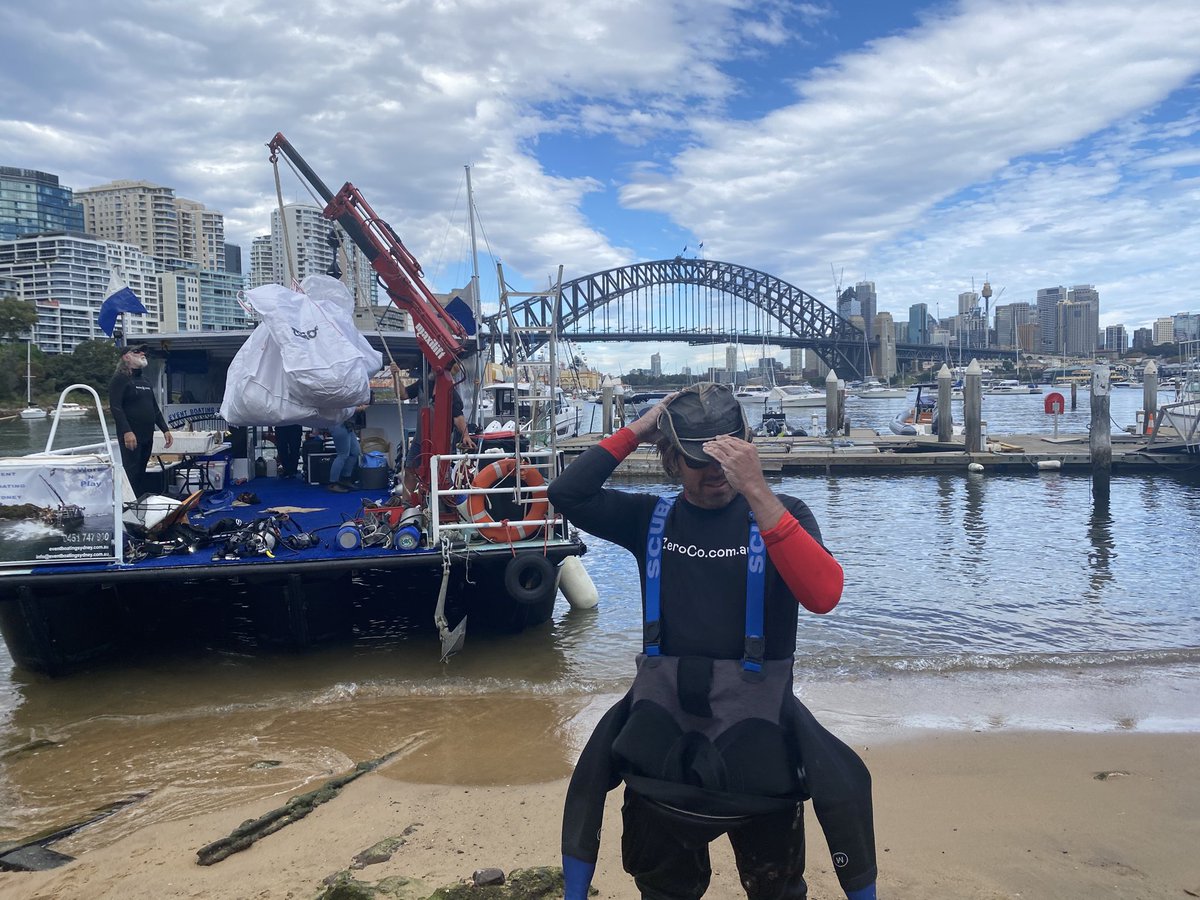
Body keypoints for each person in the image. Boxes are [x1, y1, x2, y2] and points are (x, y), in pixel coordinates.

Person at [550, 382, 877, 900]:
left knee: (778, 891)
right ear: (671, 459)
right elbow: (567, 494)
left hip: (759, 750)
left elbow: (823, 594)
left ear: (746, 446)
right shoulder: (650, 520)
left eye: (725, 455)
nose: (713, 472)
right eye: (696, 458)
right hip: (664, 753)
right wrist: (640, 426)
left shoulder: (783, 514)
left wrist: (758, 491)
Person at [401, 364, 476, 498]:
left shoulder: (451, 393)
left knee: (441, 475)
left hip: (442, 443)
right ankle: (406, 504)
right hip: (420, 440)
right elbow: (403, 394)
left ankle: (443, 503)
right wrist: (395, 376)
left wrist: (466, 435)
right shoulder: (422, 385)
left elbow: (458, 416)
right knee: (410, 470)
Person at [108, 344, 172, 497]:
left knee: (141, 471)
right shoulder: (120, 379)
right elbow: (116, 407)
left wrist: (165, 429)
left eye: (143, 351)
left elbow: (154, 408)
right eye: (137, 351)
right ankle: (128, 506)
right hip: (131, 436)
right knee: (131, 471)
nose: (142, 353)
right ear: (126, 357)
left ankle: (139, 503)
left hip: (146, 435)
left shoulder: (145, 380)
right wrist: (127, 431)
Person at [327, 405, 366, 492]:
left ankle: (345, 478)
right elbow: (344, 409)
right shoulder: (338, 395)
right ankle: (333, 483)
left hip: (347, 424)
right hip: (338, 423)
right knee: (342, 454)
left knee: (355, 452)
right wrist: (361, 407)